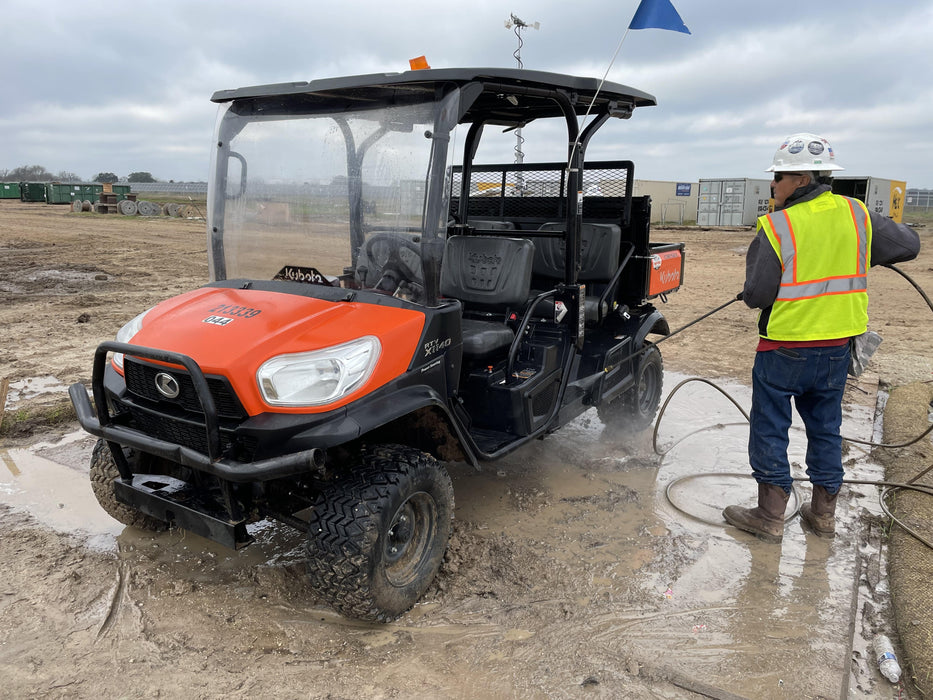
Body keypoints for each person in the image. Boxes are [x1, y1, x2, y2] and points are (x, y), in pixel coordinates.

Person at [723, 132, 920, 542]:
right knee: (826, 429)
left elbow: (759, 294)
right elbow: (908, 245)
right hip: (835, 351)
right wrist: (861, 249)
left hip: (784, 350)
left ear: (800, 179)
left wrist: (754, 289)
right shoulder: (856, 214)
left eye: (777, 177)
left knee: (770, 429)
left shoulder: (777, 226)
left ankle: (769, 516)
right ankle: (823, 516)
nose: (772, 186)